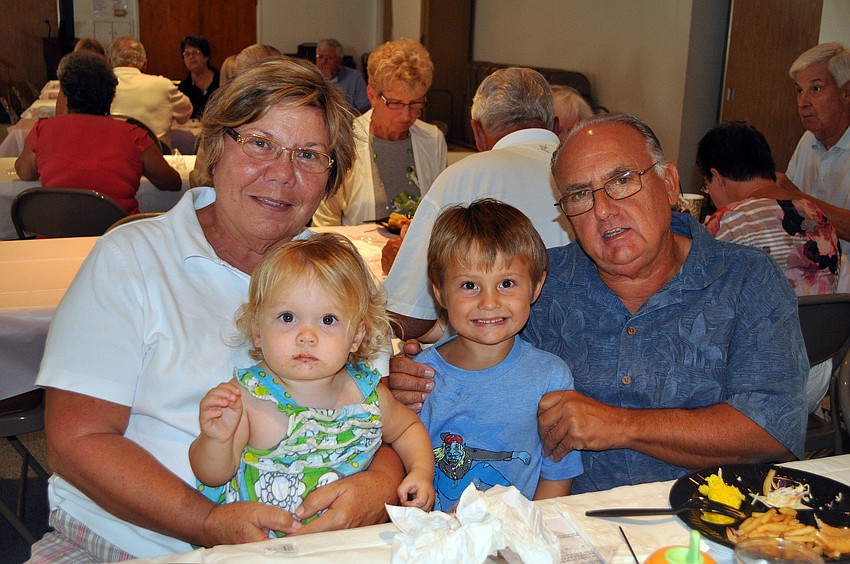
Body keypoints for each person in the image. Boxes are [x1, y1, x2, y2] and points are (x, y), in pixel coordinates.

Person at [30, 57, 407, 562]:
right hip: (132, 544)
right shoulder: (132, 258)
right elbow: (76, 441)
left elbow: (376, 415)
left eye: (309, 155)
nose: (281, 174)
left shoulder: (341, 275)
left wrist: (378, 485)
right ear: (214, 148)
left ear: (330, 177)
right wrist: (206, 522)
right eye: (259, 143)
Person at [389, 113, 808, 495]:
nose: (604, 210)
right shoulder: (544, 281)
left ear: (669, 184)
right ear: (566, 214)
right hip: (568, 523)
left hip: (707, 519)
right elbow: (478, 325)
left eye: (622, 180)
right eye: (579, 195)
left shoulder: (747, 281)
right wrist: (414, 374)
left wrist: (619, 426)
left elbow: (774, 431)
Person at [191, 233, 434, 525]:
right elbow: (213, 475)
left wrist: (420, 470)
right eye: (288, 318)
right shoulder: (247, 398)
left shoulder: (367, 393)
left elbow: (407, 428)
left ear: (356, 336)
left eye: (328, 320)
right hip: (267, 549)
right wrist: (216, 439)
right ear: (257, 330)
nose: (307, 336)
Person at [382, 67, 572, 340]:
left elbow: (406, 320)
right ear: (554, 126)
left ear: (477, 131)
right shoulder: (583, 172)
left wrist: (402, 270)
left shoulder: (463, 176)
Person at [417, 199, 582, 511]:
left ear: (535, 286)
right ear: (439, 291)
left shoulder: (551, 377)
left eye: (506, 283)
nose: (489, 302)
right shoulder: (420, 379)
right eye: (469, 285)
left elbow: (557, 475)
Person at [699, 121, 840, 414]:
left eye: (707, 185)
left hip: (755, 387)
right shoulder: (819, 217)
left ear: (716, 176)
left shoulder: (728, 220)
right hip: (815, 377)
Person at [14, 50, 180, 214]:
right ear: (111, 94)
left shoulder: (42, 130)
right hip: (118, 236)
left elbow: (24, 172)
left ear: (65, 95)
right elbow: (172, 183)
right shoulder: (134, 136)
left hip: (56, 236)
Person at [312, 38, 447, 226]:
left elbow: (440, 211)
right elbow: (326, 220)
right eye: (396, 103)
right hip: (358, 253)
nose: (406, 115)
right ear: (372, 95)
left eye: (415, 103)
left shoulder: (432, 140)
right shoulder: (345, 139)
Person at [781, 43, 850, 254]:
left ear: (846, 93)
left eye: (816, 89)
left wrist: (793, 194)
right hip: (812, 274)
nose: (803, 102)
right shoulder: (807, 140)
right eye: (799, 90)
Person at [108, 36, 192, 147]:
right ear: (145, 65)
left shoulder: (97, 88)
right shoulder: (163, 85)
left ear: (109, 63)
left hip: (112, 158)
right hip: (156, 159)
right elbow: (186, 113)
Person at [54, 37, 108, 115]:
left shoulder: (107, 87)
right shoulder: (67, 90)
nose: (89, 67)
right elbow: (61, 118)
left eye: (94, 61)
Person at [315, 38, 369, 114]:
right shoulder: (309, 77)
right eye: (320, 57)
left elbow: (365, 109)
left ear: (339, 61)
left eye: (329, 58)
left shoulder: (354, 77)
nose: (323, 62)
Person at [178, 35, 221, 119]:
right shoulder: (183, 88)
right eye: (187, 54)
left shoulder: (221, 80)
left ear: (206, 56)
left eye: (196, 52)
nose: (191, 57)